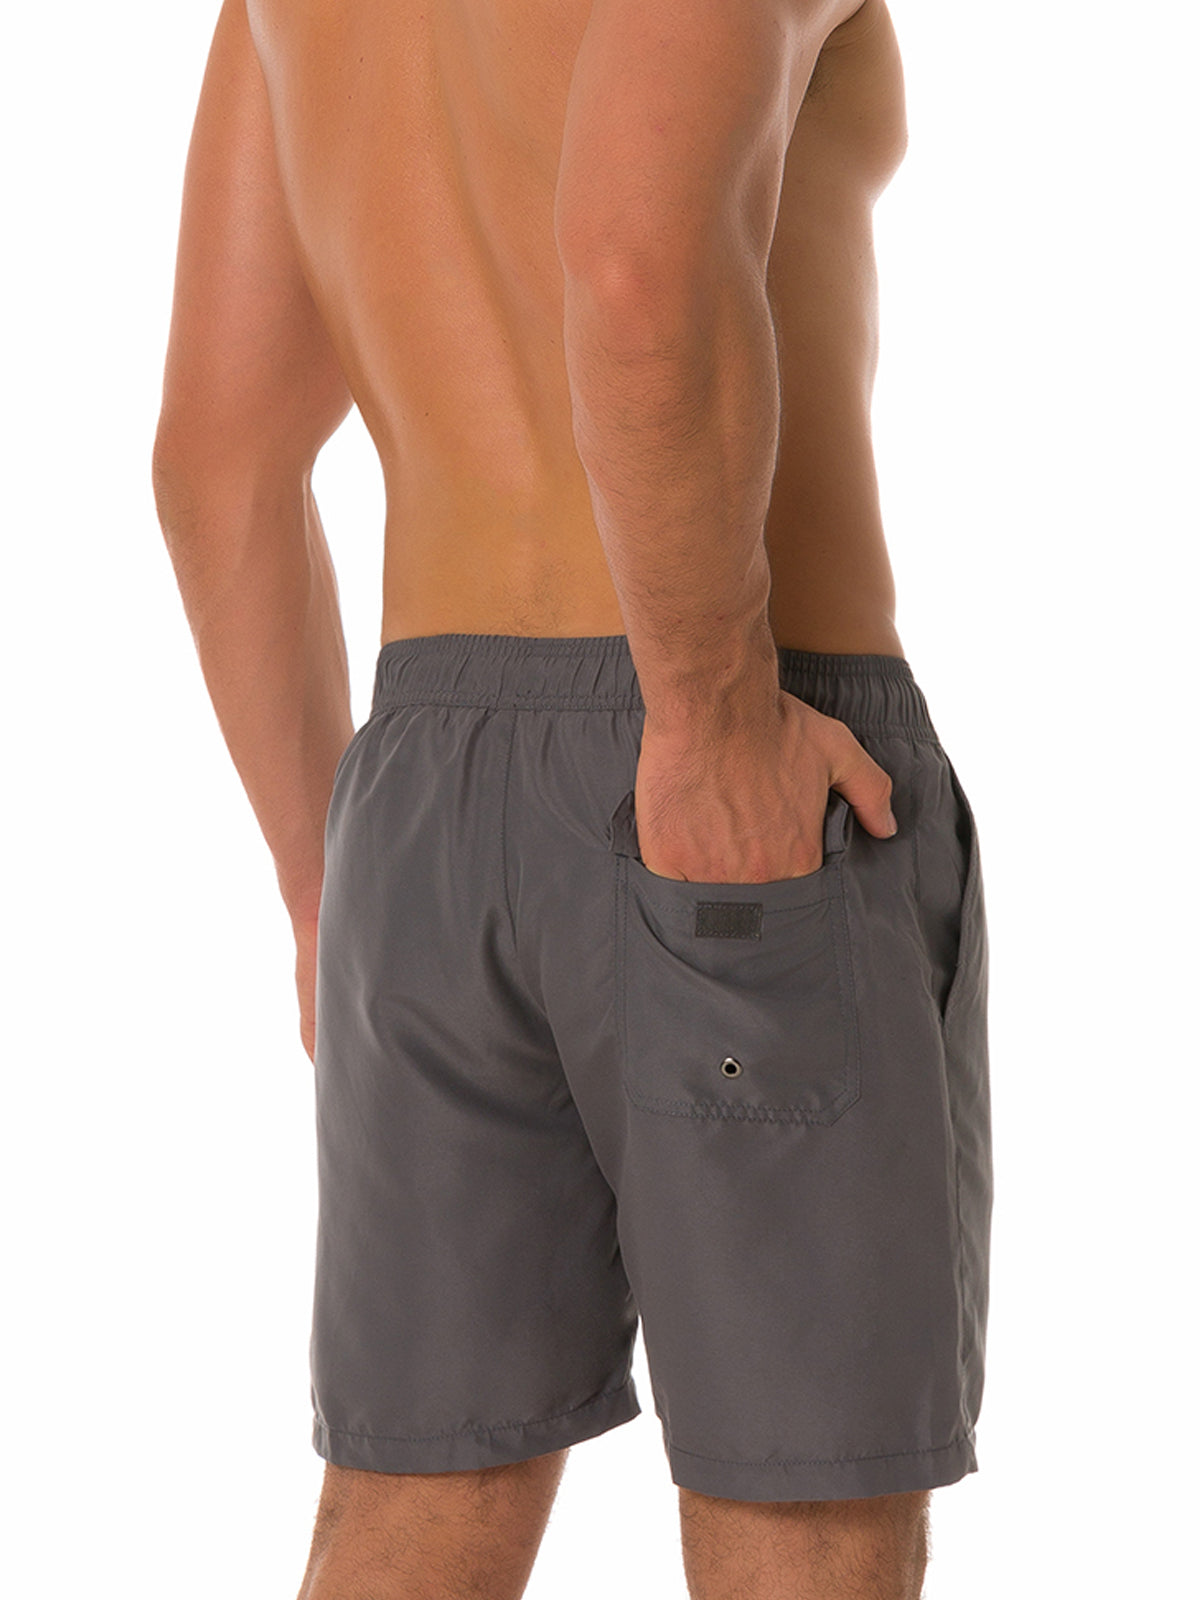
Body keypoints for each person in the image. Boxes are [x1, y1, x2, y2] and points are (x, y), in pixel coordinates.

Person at [152, 0, 992, 1593]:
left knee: (413, 1507)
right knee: (805, 1513)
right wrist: (711, 719)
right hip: (732, 763)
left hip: (419, 811)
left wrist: (320, 889)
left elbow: (217, 463)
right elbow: (632, 268)